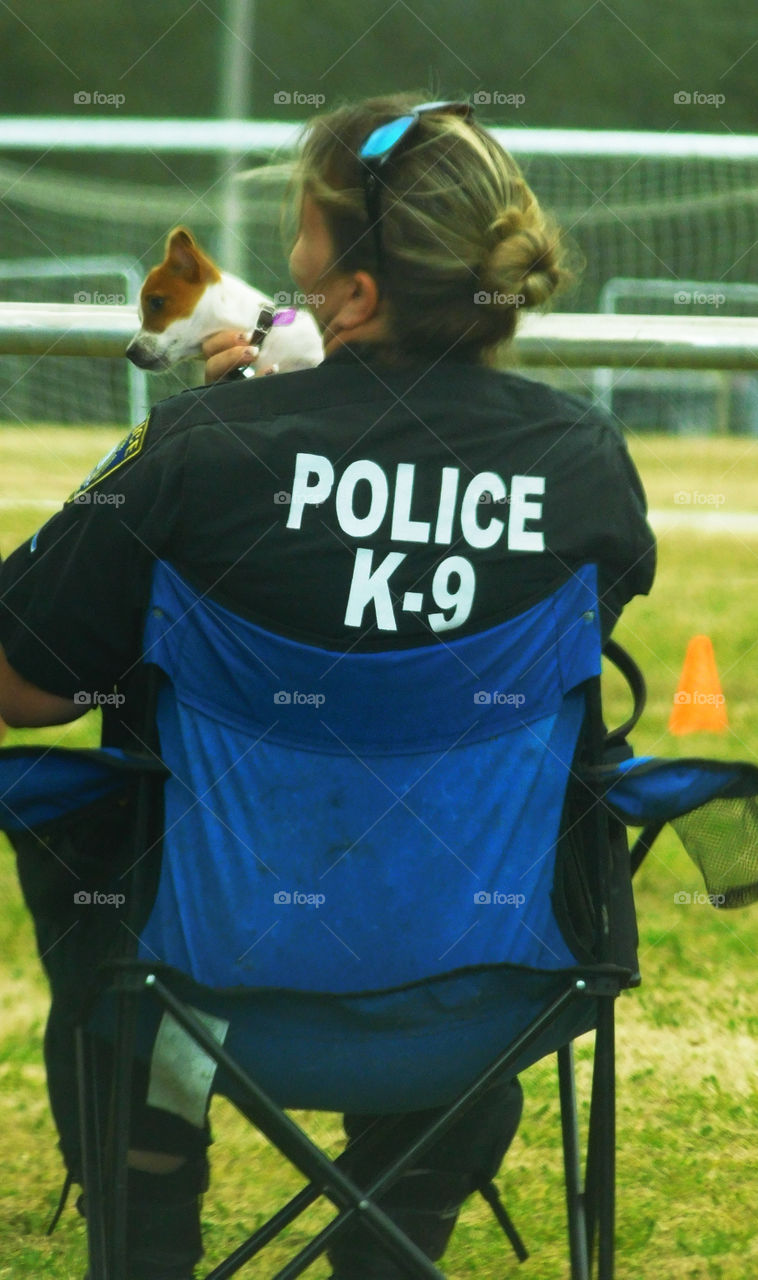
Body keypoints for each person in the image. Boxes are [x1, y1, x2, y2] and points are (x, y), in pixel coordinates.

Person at [0, 94, 655, 1280]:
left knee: (86, 820)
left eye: (301, 231)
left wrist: (204, 430)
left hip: (194, 985)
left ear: (351, 294)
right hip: (481, 996)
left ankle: (149, 1208)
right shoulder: (585, 466)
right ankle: (400, 1220)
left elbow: (23, 684)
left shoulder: (204, 448)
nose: (284, 256)